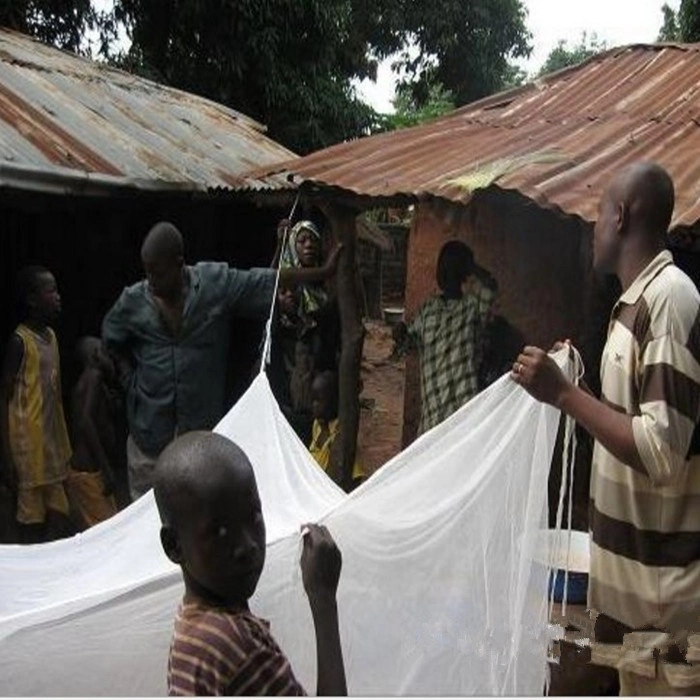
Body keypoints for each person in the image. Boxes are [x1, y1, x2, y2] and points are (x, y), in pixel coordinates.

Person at [511, 162, 700, 695]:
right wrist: (580, 392)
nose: (592, 228)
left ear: (620, 216)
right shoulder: (631, 305)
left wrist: (565, 395)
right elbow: (633, 429)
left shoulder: (670, 300)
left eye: (597, 214)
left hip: (664, 606)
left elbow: (661, 451)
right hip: (630, 600)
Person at [102, 221, 341, 501]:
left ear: (179, 264)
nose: (151, 281)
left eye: (158, 273)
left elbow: (265, 279)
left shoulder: (214, 284)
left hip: (199, 440)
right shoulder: (132, 301)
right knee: (146, 521)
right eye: (147, 272)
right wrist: (130, 383)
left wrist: (323, 272)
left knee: (197, 513)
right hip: (149, 440)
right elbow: (110, 343)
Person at [153, 431, 347, 696]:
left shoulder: (193, 628)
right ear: (174, 545)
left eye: (254, 516)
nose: (247, 546)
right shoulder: (235, 644)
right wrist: (323, 599)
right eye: (220, 531)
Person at [0, 266, 73, 544]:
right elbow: (4, 397)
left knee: (60, 513)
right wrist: (7, 456)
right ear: (32, 300)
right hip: (27, 452)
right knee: (31, 522)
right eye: (50, 291)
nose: (57, 297)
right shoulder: (20, 342)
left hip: (51, 448)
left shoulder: (52, 338)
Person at [394, 240, 497, 435]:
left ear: (464, 272)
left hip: (464, 413)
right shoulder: (428, 310)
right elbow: (409, 345)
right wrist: (400, 334)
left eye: (453, 267)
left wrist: (470, 265)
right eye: (444, 267)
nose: (446, 273)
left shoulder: (473, 307)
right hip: (432, 416)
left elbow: (491, 285)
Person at [65, 336, 119, 529]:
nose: (111, 358)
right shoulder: (94, 376)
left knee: (104, 526)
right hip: (90, 472)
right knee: (106, 531)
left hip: (87, 472)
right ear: (96, 356)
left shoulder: (90, 382)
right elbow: (86, 422)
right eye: (106, 353)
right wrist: (106, 469)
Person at [309, 371, 365, 489]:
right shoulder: (317, 425)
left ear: (333, 400)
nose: (314, 405)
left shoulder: (340, 431)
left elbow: (354, 478)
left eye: (319, 400)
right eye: (312, 399)